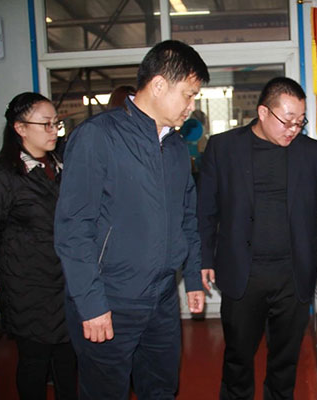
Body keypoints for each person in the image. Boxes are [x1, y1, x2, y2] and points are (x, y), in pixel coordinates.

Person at [197, 77, 317, 399]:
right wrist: (203, 258)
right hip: (243, 275)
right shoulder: (223, 147)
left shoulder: (312, 153)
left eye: (300, 122)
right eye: (287, 121)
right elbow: (205, 211)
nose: (294, 129)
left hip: (292, 275)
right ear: (263, 113)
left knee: (285, 362)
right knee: (238, 359)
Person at [54, 40, 209, 399]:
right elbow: (73, 229)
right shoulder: (98, 137)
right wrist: (91, 304)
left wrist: (192, 278)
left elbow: (187, 218)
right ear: (159, 85)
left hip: (161, 298)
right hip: (111, 300)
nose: (191, 106)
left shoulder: (175, 147)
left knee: (162, 388)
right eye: (188, 95)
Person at [0, 92, 77, 399]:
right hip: (28, 289)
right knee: (35, 363)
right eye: (45, 124)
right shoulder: (5, 176)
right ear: (20, 128)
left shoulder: (61, 166)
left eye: (56, 123)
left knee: (68, 363)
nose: (53, 131)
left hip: (64, 284)